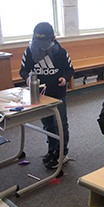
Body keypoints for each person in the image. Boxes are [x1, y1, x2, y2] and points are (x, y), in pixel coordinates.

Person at [20, 22, 74, 169]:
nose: (42, 47)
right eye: (39, 44)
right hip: (41, 95)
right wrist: (27, 78)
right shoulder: (30, 51)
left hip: (58, 94)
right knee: (48, 124)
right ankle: (52, 149)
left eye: (45, 44)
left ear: (54, 38)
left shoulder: (61, 52)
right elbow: (23, 70)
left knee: (60, 124)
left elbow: (69, 69)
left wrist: (65, 78)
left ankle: (63, 152)